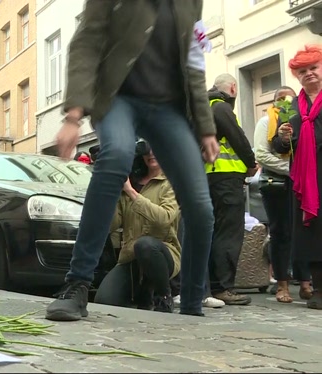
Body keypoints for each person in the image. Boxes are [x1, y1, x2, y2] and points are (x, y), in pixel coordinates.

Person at [47, 0, 219, 320]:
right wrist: (74, 115)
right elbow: (87, 40)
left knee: (201, 207)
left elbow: (194, 63)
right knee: (117, 154)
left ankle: (193, 303)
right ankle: (77, 285)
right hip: (118, 98)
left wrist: (206, 127)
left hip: (168, 108)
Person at [94, 140, 180, 313]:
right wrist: (109, 191)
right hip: (130, 256)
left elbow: (164, 218)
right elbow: (110, 226)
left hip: (162, 253)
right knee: (104, 301)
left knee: (146, 245)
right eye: (146, 150)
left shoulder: (170, 183)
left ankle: (163, 296)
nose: (151, 154)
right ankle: (141, 292)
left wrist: (132, 193)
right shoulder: (130, 182)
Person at [272, 44, 322, 310]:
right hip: (304, 180)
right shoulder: (290, 107)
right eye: (303, 71)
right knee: (310, 234)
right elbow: (277, 147)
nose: (309, 74)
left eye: (313, 68)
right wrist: (282, 138)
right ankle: (318, 289)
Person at [254, 86, 313, 303]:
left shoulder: (302, 120)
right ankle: (282, 284)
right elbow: (261, 154)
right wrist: (293, 169)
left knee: (304, 231)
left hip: (301, 184)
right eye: (280, 98)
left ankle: (305, 282)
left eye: (290, 98)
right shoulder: (266, 123)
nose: (285, 102)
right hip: (276, 184)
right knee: (281, 233)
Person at [205, 74, 258, 306]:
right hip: (226, 179)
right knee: (228, 233)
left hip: (209, 177)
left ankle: (211, 285)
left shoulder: (205, 107)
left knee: (215, 231)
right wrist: (251, 163)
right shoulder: (221, 107)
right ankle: (223, 287)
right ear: (234, 88)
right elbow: (238, 139)